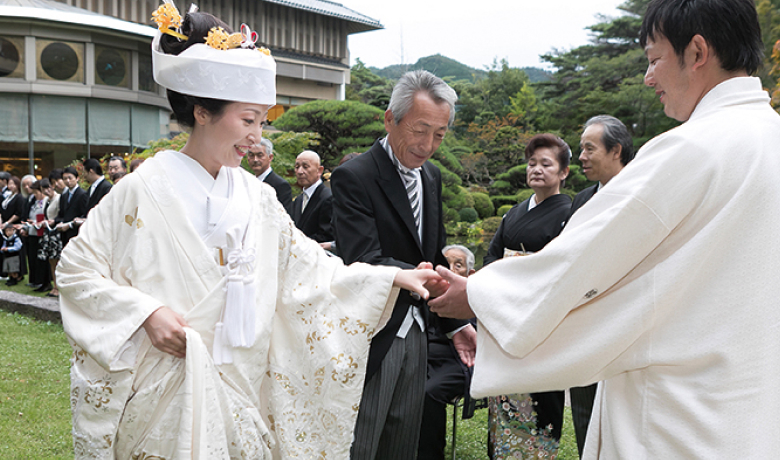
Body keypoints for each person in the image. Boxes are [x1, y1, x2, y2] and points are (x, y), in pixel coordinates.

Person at [57, 6, 443, 459]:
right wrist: (145, 313)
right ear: (201, 111)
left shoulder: (256, 196)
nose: (257, 138)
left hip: (243, 386)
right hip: (164, 389)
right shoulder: (142, 189)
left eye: (262, 121)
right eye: (247, 120)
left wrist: (388, 278)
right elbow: (77, 272)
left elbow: (309, 269)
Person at [429, 0, 780, 458]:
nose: (649, 78)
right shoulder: (769, 137)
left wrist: (477, 297)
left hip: (673, 415)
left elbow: (581, 258)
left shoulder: (691, 149)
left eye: (654, 59)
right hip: (749, 405)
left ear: (696, 52)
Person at [331, 69, 475, 460]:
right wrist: (418, 278)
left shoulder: (431, 177)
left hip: (418, 332)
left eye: (440, 134)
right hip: (375, 328)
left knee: (403, 442)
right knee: (363, 439)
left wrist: (456, 323)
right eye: (420, 129)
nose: (428, 145)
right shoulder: (354, 176)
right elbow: (362, 258)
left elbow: (438, 252)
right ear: (389, 119)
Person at [482, 134, 571, 460]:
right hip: (506, 316)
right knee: (505, 396)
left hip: (541, 320)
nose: (536, 169)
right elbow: (491, 258)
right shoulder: (514, 212)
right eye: (532, 163)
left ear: (563, 172)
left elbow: (563, 266)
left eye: (546, 164)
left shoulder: (570, 213)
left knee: (541, 399)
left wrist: (515, 271)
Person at [568, 115, 634, 457]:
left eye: (589, 148)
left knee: (625, 416)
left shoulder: (642, 193)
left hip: (627, 324)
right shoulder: (580, 201)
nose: (581, 156)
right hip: (584, 322)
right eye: (581, 148)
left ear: (616, 150)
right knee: (583, 407)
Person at [418, 244, 477, 460]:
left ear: (470, 274)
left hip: (460, 360)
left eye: (457, 265)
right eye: (445, 264)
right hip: (426, 355)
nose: (450, 270)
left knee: (428, 391)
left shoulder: (476, 297)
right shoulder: (428, 291)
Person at [292, 150, 333, 243]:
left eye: (305, 167)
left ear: (319, 170)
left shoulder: (328, 197)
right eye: (297, 167)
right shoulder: (298, 200)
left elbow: (326, 235)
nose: (300, 171)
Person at [248, 137, 293, 215]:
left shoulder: (281, 185)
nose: (255, 160)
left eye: (260, 155)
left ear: (270, 157)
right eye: (251, 155)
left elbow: (283, 218)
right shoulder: (247, 182)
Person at [23, 180, 52, 292]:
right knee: (32, 257)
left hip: (40, 232)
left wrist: (35, 223)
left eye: (36, 192)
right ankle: (35, 280)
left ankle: (43, 281)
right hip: (32, 232)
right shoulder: (36, 202)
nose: (35, 195)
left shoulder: (45, 201)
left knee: (41, 258)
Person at [41, 175, 64, 297]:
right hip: (48, 231)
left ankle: (59, 287)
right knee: (51, 260)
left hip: (56, 231)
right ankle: (54, 285)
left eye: (48, 188)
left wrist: (54, 221)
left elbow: (60, 213)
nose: (46, 191)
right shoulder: (46, 200)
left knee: (58, 259)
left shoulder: (59, 198)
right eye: (44, 189)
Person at [54, 166, 87, 248]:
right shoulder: (64, 196)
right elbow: (61, 214)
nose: (67, 181)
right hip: (64, 234)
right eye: (65, 179)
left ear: (77, 178)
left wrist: (70, 225)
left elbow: (84, 215)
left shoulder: (83, 194)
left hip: (76, 234)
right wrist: (57, 222)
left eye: (70, 178)